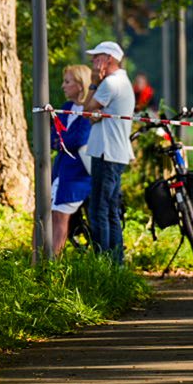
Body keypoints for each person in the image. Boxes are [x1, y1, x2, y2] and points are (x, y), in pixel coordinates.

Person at [82, 40, 135, 263]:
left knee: (98, 210)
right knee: (111, 210)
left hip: (106, 152)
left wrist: (94, 83)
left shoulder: (110, 84)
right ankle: (116, 263)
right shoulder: (123, 81)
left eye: (97, 57)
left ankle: (102, 263)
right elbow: (94, 116)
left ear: (109, 60)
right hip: (116, 152)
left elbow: (87, 110)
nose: (93, 61)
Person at [51, 63, 94, 254]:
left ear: (80, 84)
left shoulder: (87, 109)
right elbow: (55, 135)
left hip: (78, 173)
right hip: (61, 169)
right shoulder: (67, 107)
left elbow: (80, 138)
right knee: (45, 215)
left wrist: (63, 140)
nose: (63, 86)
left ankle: (53, 262)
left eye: (67, 81)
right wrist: (64, 140)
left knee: (61, 216)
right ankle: (39, 260)